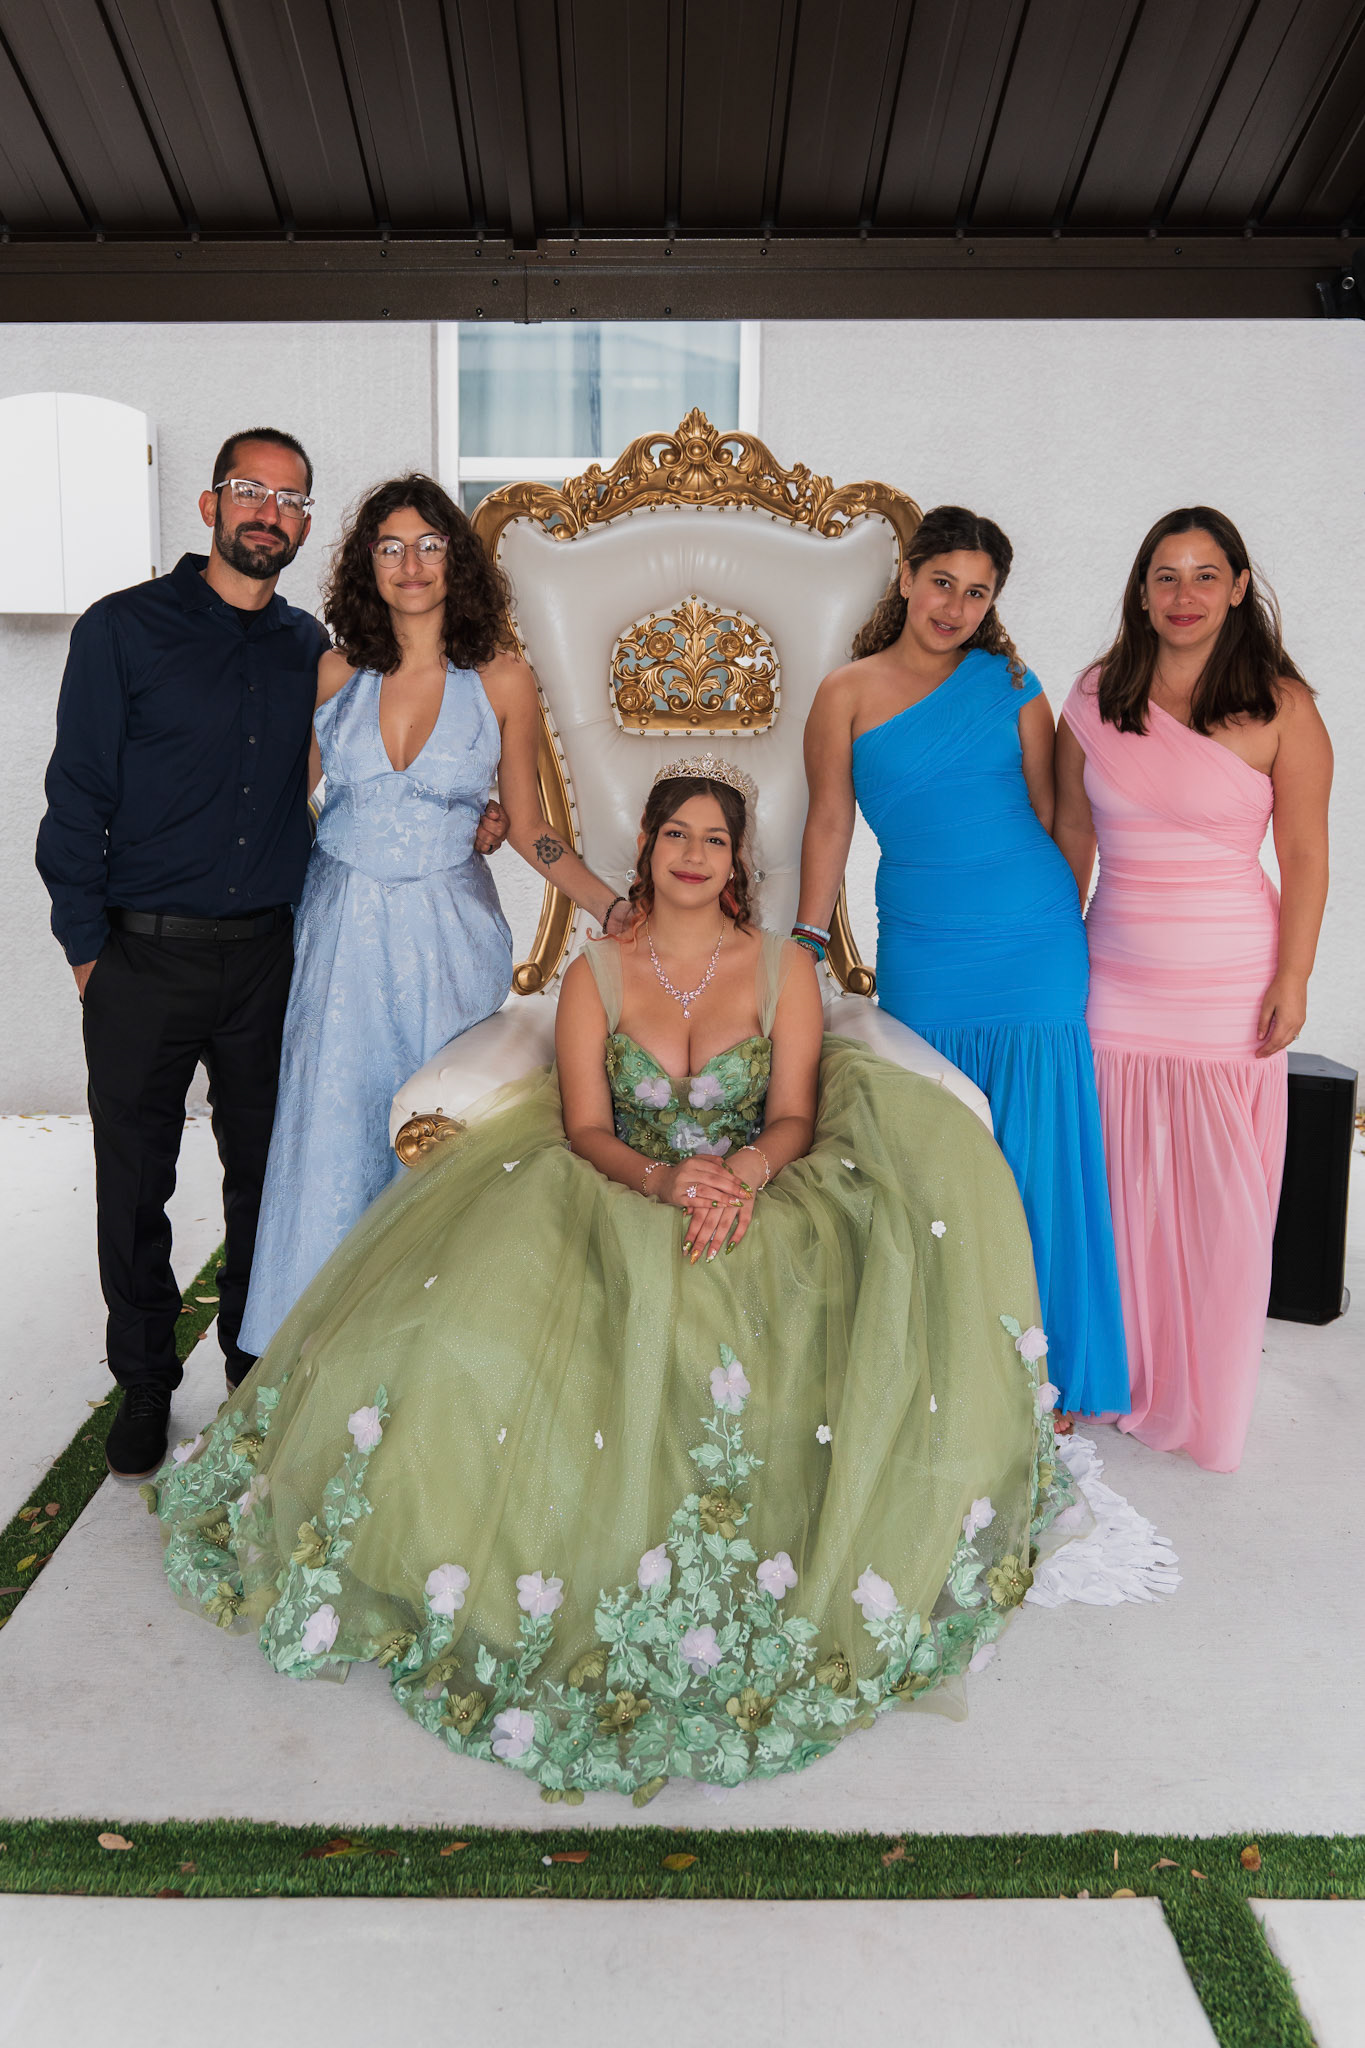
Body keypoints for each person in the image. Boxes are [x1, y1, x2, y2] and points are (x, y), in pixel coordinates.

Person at [150, 761, 1074, 1800]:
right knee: (455, 1344)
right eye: (675, 834)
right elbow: (586, 1125)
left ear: (738, 861)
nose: (693, 853)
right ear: (646, 847)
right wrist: (664, 1179)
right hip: (617, 1185)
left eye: (714, 839)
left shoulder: (783, 968)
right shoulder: (595, 972)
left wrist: (738, 1177)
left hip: (756, 1193)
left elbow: (793, 1117)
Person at [238, 474, 631, 1357]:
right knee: (331, 1132)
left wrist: (612, 907)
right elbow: (280, 813)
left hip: (448, 939)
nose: (410, 564)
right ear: (365, 565)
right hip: (339, 935)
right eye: (389, 547)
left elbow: (528, 827)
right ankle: (318, 1350)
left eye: (428, 545)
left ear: (457, 560)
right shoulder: (333, 675)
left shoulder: (502, 679)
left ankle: (433, 1352)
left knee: (444, 1129)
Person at [35, 429, 329, 1479]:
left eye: (290, 499)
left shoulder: (308, 645)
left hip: (266, 961)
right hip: (140, 959)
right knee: (133, 1183)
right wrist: (88, 954)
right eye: (251, 489)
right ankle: (145, 1380)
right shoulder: (121, 630)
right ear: (211, 504)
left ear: (304, 523)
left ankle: (251, 1360)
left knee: (266, 1177)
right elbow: (77, 797)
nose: (269, 511)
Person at [796, 507, 1128, 1423]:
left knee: (1039, 1156)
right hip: (925, 946)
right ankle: (948, 1357)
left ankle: (1043, 1373)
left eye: (976, 593)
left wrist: (1057, 924)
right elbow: (827, 823)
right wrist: (806, 939)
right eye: (941, 582)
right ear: (905, 577)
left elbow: (1055, 816)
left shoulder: (1012, 685)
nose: (954, 606)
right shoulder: (845, 692)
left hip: (1032, 941)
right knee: (936, 1150)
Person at [1055, 508, 1332, 1472]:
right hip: (1113, 973)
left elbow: (1305, 854)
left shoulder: (1283, 707)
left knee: (1220, 1206)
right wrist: (1054, 957)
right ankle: (1110, 1372)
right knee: (1112, 1184)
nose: (1184, 595)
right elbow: (1072, 837)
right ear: (1140, 591)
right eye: (1165, 576)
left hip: (1227, 980)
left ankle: (1200, 1389)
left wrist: (1293, 975)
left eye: (1205, 575)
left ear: (1239, 588)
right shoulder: (1094, 696)